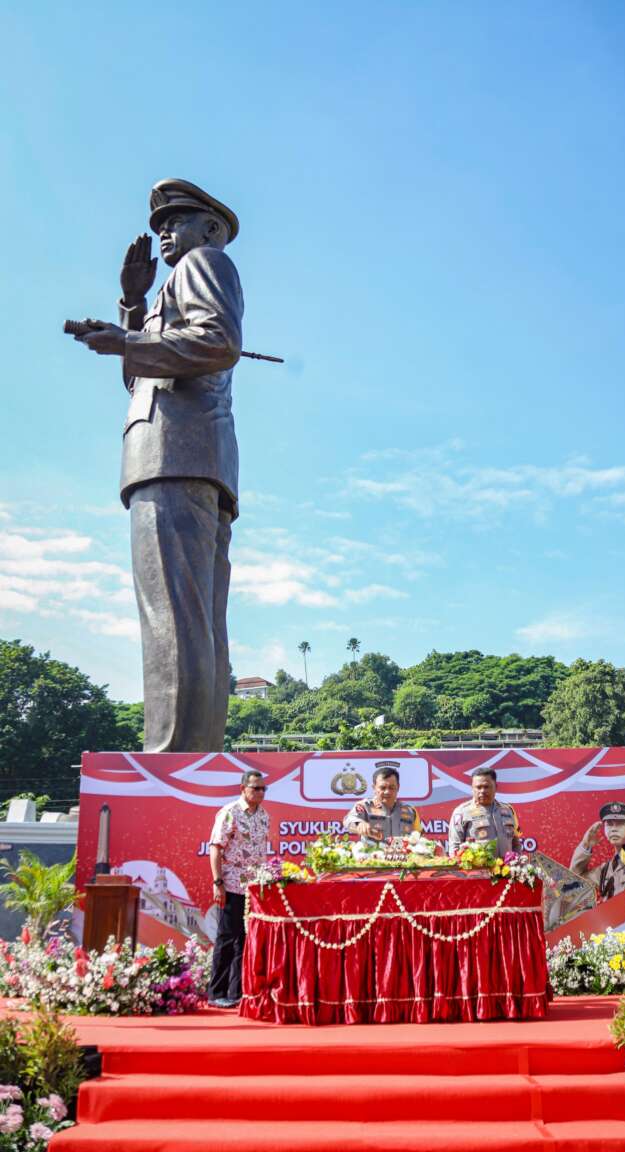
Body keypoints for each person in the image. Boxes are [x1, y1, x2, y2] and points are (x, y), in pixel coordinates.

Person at [74, 178, 243, 753]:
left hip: (175, 452)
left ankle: (170, 756)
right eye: (160, 224)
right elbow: (141, 375)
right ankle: (189, 752)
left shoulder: (202, 263)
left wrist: (125, 339)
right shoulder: (176, 281)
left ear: (211, 229)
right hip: (180, 456)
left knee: (171, 615)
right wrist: (132, 308)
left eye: (177, 220)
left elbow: (217, 342)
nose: (165, 232)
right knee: (189, 615)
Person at [208, 770, 269, 1008]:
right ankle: (216, 992)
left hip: (254, 888)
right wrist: (218, 882)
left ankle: (236, 992)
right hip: (231, 883)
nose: (260, 792)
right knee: (226, 936)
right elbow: (215, 848)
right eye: (256, 788)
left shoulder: (265, 816)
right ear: (243, 789)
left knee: (244, 940)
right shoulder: (229, 812)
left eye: (263, 789)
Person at [570, 801, 625, 900]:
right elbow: (574, 884)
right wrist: (585, 846)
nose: (613, 829)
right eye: (609, 824)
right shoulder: (605, 870)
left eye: (620, 824)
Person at [448, 767, 520, 858]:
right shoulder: (461, 812)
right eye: (478, 787)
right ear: (472, 788)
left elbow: (516, 844)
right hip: (477, 871)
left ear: (496, 787)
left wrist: (516, 864)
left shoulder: (508, 810)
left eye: (486, 787)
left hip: (507, 870)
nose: (482, 791)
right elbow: (455, 848)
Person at [342, 766, 421, 841]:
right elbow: (348, 820)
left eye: (391, 787)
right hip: (372, 854)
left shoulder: (410, 810)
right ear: (374, 788)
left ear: (398, 787)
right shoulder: (364, 806)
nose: (387, 792)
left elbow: (419, 836)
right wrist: (359, 824)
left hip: (401, 854)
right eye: (382, 788)